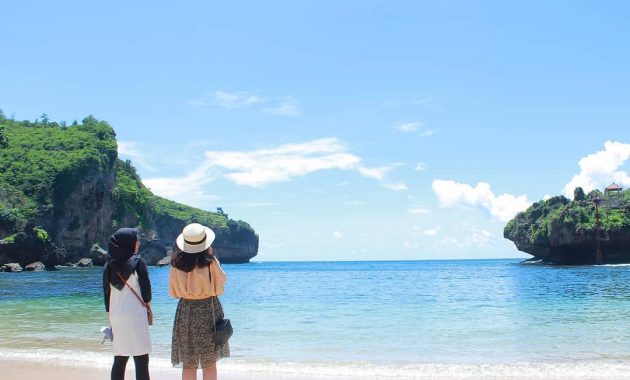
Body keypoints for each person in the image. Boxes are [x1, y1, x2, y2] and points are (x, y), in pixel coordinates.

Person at [170, 223, 229, 380]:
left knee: (189, 363)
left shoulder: (177, 264)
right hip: (209, 308)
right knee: (209, 362)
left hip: (185, 310)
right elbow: (220, 286)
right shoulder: (210, 262)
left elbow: (174, 292)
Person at [103, 228, 152, 380]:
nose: (138, 243)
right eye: (136, 240)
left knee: (120, 359)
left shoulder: (108, 266)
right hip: (136, 314)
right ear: (129, 243)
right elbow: (146, 293)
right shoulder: (138, 263)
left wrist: (110, 319)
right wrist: (149, 307)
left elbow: (107, 296)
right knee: (141, 359)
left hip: (117, 315)